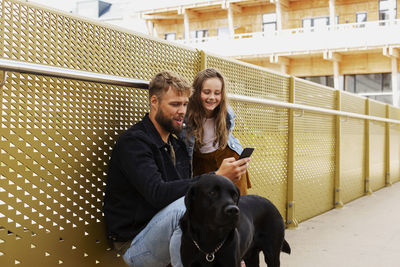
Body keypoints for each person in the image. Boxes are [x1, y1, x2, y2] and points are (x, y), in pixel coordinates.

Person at [103, 71, 250, 267]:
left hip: (168, 236)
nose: (182, 111)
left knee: (203, 205)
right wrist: (216, 176)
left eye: (184, 104)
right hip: (135, 244)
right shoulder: (134, 142)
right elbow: (158, 194)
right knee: (184, 208)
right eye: (174, 104)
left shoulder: (178, 145)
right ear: (154, 102)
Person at [182, 68, 251, 195]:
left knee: (238, 202)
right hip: (200, 162)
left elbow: (228, 135)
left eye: (217, 93)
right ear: (197, 92)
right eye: (206, 92)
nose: (212, 97)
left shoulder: (226, 112)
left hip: (228, 157)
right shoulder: (187, 115)